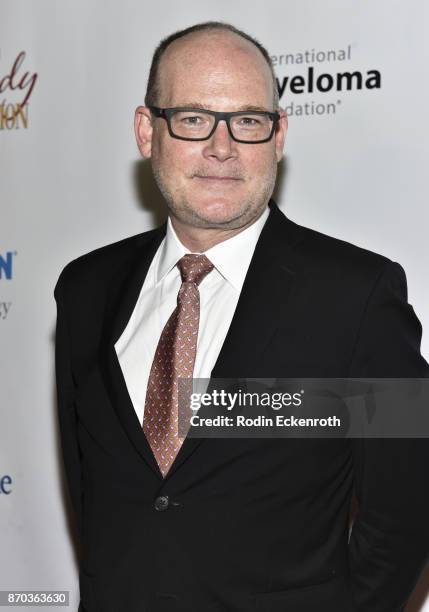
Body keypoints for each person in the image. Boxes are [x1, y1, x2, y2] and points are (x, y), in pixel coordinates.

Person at [54, 21, 429, 612]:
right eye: (194, 118)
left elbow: (406, 512)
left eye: (248, 120)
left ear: (278, 137)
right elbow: (91, 490)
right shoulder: (84, 290)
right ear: (146, 131)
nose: (222, 147)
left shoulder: (357, 295)